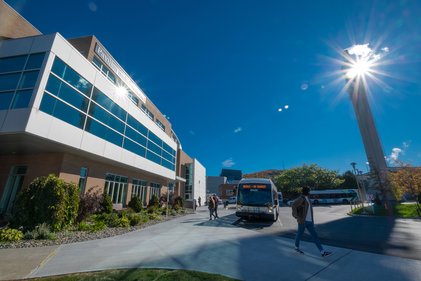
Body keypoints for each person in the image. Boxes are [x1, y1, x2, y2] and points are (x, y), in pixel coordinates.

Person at [291, 186, 332, 257]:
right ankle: (296, 247)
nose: (310, 192)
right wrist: (296, 215)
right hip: (303, 221)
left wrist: (312, 220)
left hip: (310, 221)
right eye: (309, 191)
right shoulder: (301, 199)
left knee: (315, 236)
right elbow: (293, 205)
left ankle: (322, 252)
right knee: (299, 234)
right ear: (305, 191)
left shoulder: (308, 199)